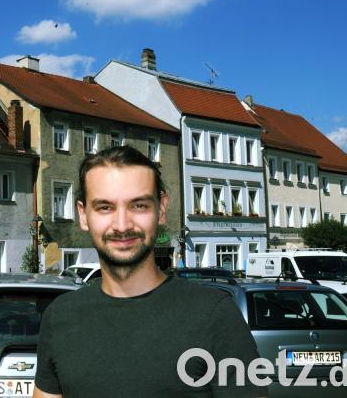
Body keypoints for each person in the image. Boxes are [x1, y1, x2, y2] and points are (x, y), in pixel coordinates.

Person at [34, 146, 266, 398]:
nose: (122, 225)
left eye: (139, 206)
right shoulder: (59, 317)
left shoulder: (215, 314)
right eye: (104, 207)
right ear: (83, 215)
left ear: (161, 208)